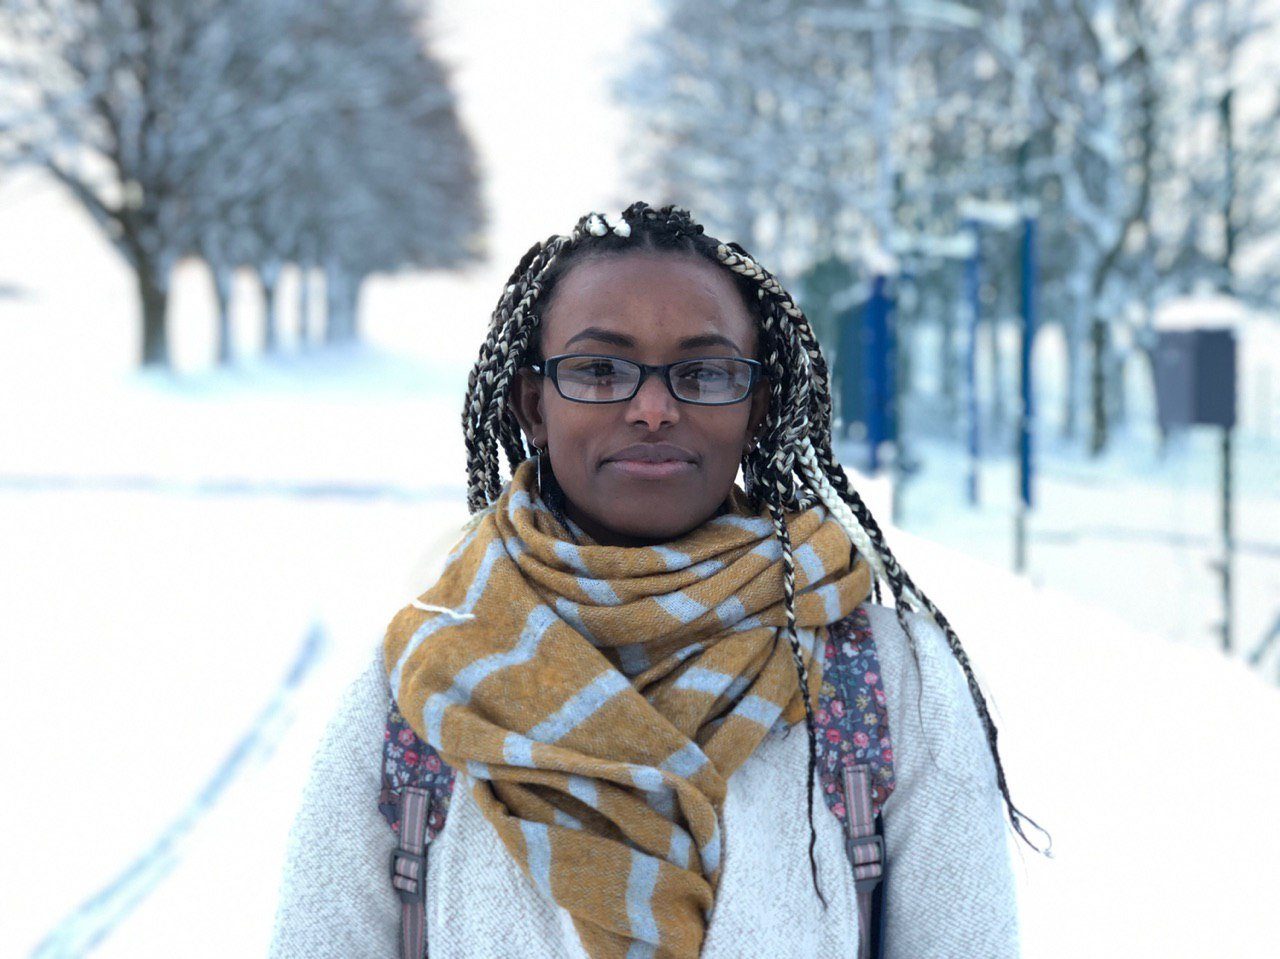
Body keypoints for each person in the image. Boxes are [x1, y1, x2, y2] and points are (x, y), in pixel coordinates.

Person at [268, 203, 1046, 959]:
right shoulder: (423, 684)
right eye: (600, 369)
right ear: (532, 404)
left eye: (704, 373)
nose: (652, 408)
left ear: (757, 406)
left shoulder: (882, 681)